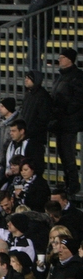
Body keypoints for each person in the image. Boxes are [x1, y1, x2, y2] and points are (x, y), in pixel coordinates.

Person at [49, 47, 82, 195]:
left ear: (69, 59)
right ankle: (68, 182)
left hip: (69, 123)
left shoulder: (77, 76)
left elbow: (77, 99)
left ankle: (73, 185)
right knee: (63, 154)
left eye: (62, 57)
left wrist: (64, 110)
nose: (59, 59)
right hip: (61, 122)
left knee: (68, 155)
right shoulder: (61, 76)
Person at [25, 0, 59, 70]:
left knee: (33, 59)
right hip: (31, 33)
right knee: (32, 59)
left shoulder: (50, 1)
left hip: (38, 35)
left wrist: (38, 33)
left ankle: (34, 79)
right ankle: (33, 78)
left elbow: (47, 19)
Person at [22, 70, 52, 141]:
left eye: (28, 78)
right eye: (25, 78)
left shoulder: (43, 96)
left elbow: (43, 118)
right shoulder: (28, 94)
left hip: (36, 137)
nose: (26, 80)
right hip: (26, 134)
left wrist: (31, 130)